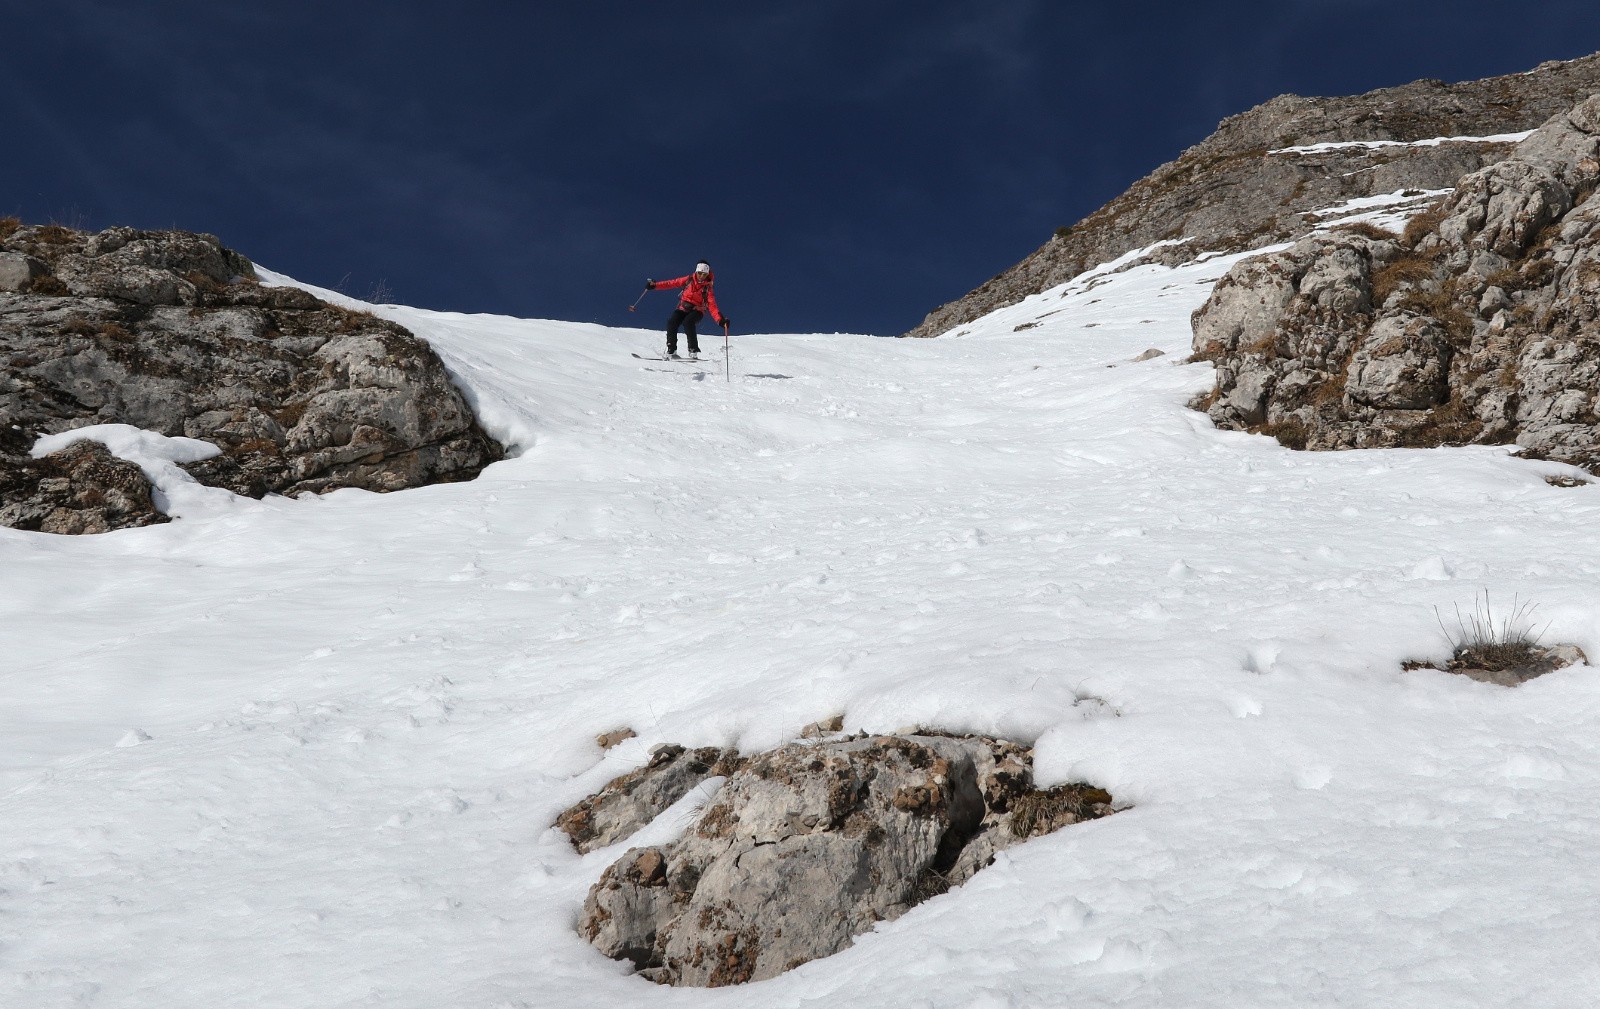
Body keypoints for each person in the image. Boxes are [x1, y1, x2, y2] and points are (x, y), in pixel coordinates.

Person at [645, 260, 730, 359]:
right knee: (672, 322)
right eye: (699, 273)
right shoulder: (688, 279)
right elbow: (672, 283)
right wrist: (655, 285)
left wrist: (720, 320)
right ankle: (671, 349)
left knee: (688, 322)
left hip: (697, 310)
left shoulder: (708, 288)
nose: (701, 276)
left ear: (707, 274)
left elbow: (712, 306)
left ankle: (693, 350)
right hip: (683, 307)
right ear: (696, 272)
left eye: (704, 274)